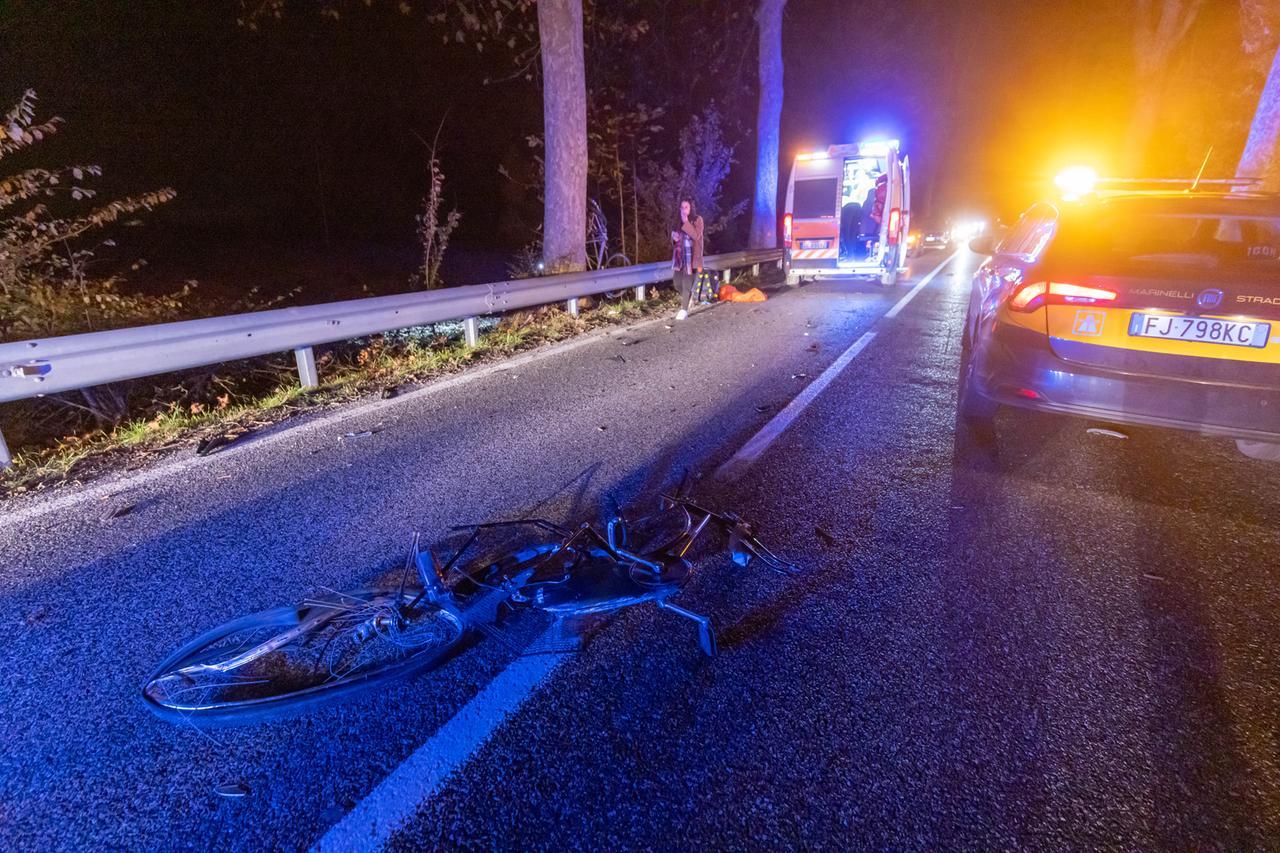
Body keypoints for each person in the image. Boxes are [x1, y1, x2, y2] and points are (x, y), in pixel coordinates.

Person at [670, 198, 704, 320]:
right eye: (682, 207)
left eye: (686, 207)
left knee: (686, 285)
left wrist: (685, 222)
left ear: (691, 209)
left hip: (692, 259)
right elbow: (675, 241)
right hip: (680, 259)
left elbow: (696, 236)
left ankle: (684, 310)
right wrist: (674, 238)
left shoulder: (698, 220)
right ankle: (688, 297)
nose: (683, 210)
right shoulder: (678, 222)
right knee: (677, 284)